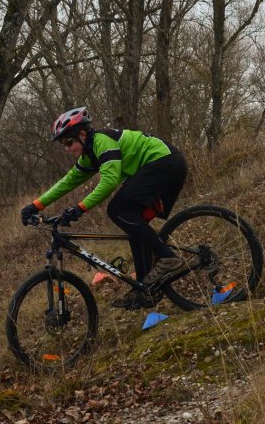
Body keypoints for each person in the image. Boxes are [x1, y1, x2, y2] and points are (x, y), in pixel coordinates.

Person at [20, 107, 188, 310]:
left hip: (164, 162)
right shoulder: (90, 155)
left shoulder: (102, 142)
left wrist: (80, 208)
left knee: (117, 210)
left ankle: (167, 257)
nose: (66, 148)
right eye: (63, 145)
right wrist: (35, 205)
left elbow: (110, 180)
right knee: (134, 224)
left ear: (82, 135)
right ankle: (145, 290)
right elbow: (68, 181)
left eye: (68, 142)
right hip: (161, 167)